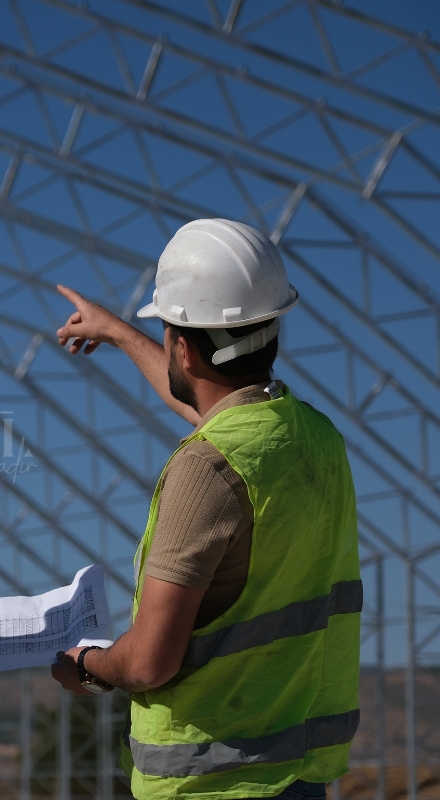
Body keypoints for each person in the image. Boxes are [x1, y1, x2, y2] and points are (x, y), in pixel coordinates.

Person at [51, 219, 361, 800]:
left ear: (183, 348)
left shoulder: (206, 469)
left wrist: (88, 666)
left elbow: (147, 663)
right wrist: (120, 333)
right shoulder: (311, 438)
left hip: (211, 782)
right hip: (295, 775)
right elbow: (218, 408)